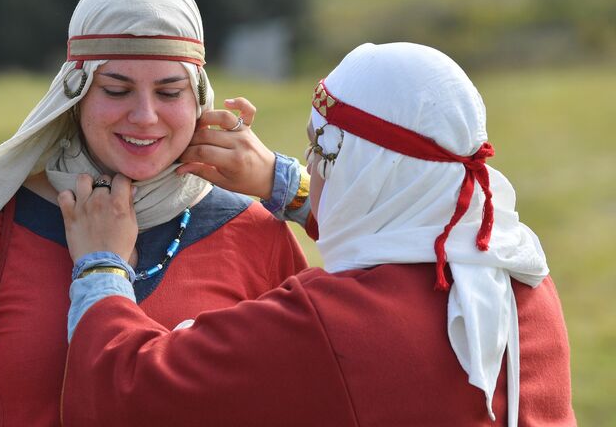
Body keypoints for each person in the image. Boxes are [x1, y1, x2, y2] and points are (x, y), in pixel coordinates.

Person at [59, 42, 576, 426]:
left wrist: (102, 263)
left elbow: (121, 393)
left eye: (319, 151)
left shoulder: (326, 326)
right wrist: (290, 188)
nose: (308, 164)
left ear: (365, 172)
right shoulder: (520, 277)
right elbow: (403, 239)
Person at [0, 0, 310, 425]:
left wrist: (287, 184)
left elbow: (303, 401)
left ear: (199, 99)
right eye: (116, 90)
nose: (145, 115)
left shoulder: (254, 235)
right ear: (74, 96)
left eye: (170, 92)